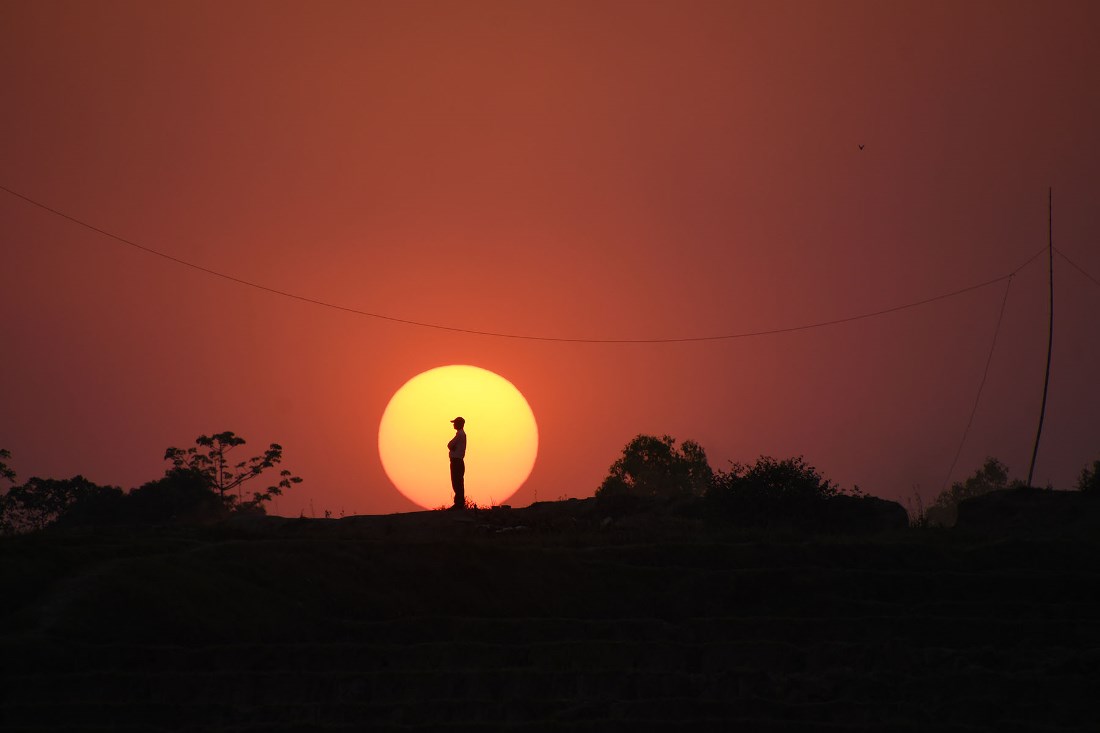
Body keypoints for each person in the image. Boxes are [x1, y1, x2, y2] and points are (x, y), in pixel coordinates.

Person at [447, 417, 466, 509]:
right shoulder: (460, 434)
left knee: (457, 482)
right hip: (457, 461)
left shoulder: (460, 434)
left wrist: (451, 447)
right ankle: (459, 503)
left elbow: (450, 444)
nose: (454, 425)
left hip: (457, 461)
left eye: (455, 423)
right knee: (458, 482)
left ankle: (459, 504)